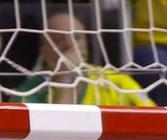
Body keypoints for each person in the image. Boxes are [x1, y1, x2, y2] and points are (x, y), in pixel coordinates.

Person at [16, 9, 154, 106]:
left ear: (86, 45)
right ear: (43, 51)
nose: (69, 45)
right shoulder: (28, 92)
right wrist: (66, 77)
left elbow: (154, 121)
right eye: (58, 40)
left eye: (77, 38)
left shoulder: (116, 82)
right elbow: (57, 138)